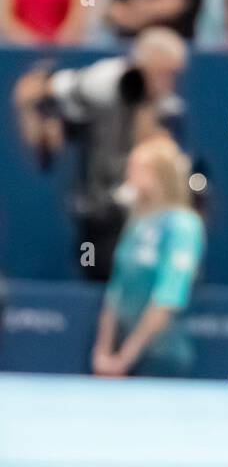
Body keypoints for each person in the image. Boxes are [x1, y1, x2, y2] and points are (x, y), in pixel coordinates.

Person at [13, 27, 188, 282]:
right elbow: (49, 116)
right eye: (164, 74)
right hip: (101, 218)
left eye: (174, 75)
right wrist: (34, 103)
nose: (169, 83)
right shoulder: (105, 83)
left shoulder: (170, 109)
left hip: (147, 222)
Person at [91, 135, 204, 378]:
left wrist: (126, 357)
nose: (128, 176)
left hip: (163, 358)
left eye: (135, 169)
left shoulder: (183, 225)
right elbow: (116, 291)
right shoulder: (137, 221)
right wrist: (103, 351)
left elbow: (169, 296)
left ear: (157, 175)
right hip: (122, 358)